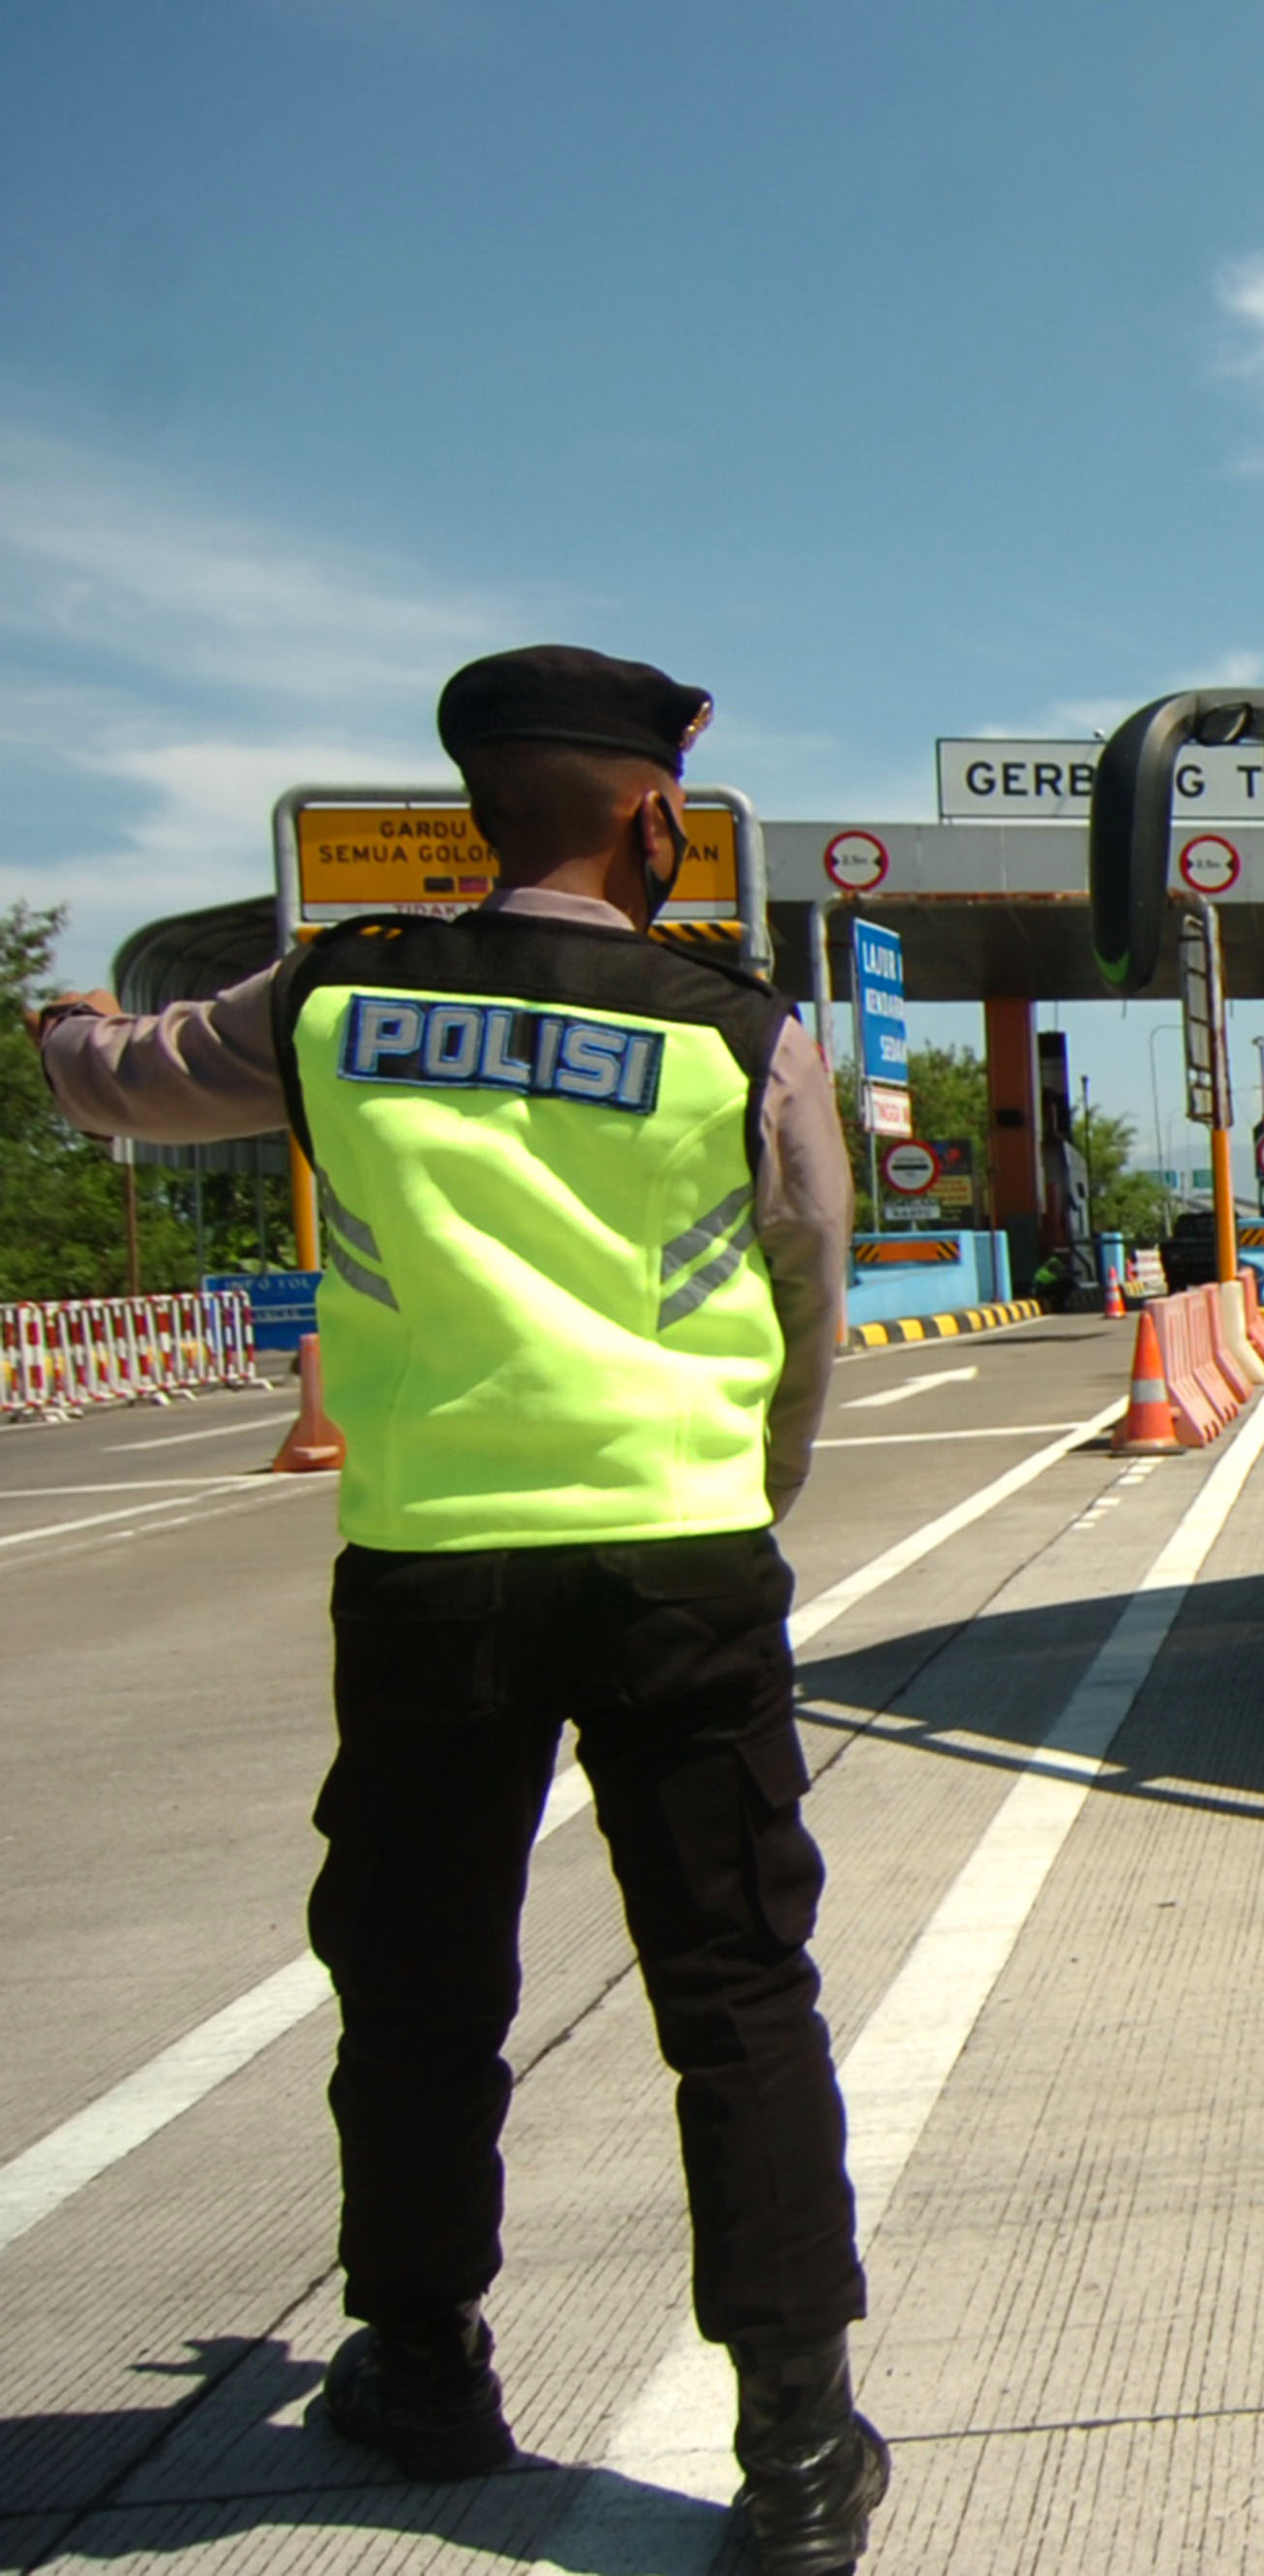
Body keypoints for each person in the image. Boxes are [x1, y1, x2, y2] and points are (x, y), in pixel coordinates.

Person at [28, 647, 888, 2576]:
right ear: (652, 813)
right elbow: (807, 1278)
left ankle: (421, 2364)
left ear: (480, 810)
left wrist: (62, 1020)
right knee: (736, 1981)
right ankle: (798, 2444)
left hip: (429, 1567)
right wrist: (753, 1489)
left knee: (418, 1980)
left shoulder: (334, 989)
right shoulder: (732, 1025)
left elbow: (123, 1084)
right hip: (677, 1554)